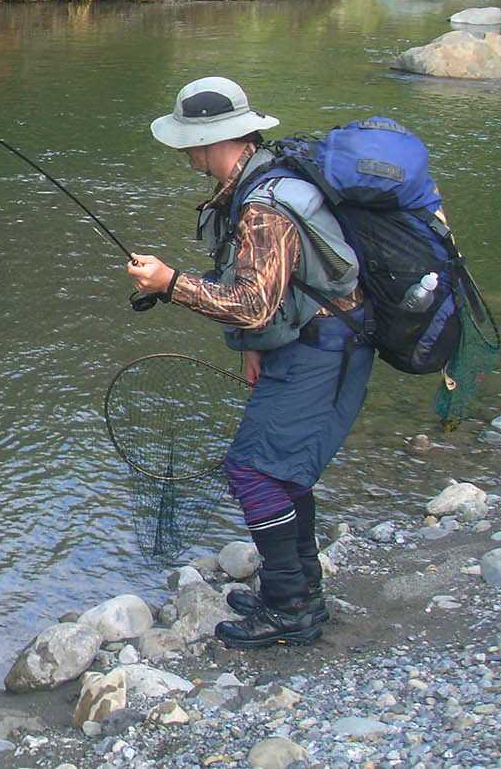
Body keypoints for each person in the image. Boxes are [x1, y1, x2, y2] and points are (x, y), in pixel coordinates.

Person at [126, 76, 374, 649]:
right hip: (311, 339)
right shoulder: (263, 177)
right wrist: (259, 345)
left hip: (328, 345)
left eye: (189, 140)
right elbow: (276, 292)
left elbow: (252, 302)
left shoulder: (263, 205)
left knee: (254, 471)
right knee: (279, 468)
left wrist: (170, 284)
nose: (185, 151)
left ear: (216, 140)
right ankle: (298, 590)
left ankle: (292, 611)